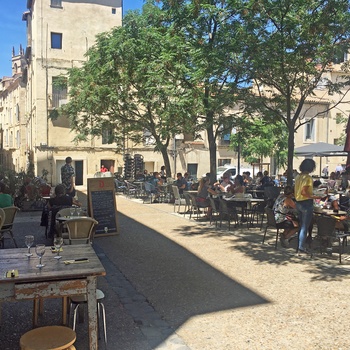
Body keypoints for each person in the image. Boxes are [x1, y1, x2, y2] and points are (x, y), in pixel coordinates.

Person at [294, 159, 322, 254]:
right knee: (305, 227)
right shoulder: (308, 178)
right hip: (306, 203)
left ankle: (299, 245)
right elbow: (304, 192)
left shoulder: (298, 177)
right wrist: (316, 196)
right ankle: (301, 247)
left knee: (302, 225)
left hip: (298, 202)